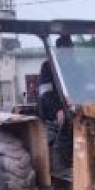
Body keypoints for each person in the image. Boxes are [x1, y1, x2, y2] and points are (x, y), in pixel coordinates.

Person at [37, 34, 73, 172]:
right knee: (60, 134)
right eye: (66, 50)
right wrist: (58, 110)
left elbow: (85, 86)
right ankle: (60, 170)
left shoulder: (76, 68)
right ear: (59, 51)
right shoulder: (48, 67)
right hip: (51, 115)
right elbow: (46, 93)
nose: (69, 54)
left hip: (73, 110)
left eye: (71, 50)